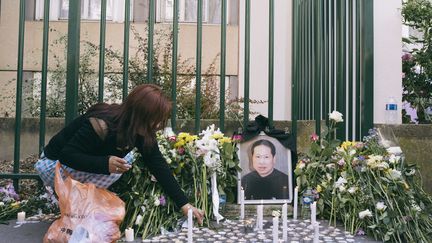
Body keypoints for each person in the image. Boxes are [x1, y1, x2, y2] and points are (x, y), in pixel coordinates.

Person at [35, 84, 203, 223]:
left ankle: (82, 208)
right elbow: (67, 155)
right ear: (142, 114)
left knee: (125, 160)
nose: (159, 124)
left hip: (77, 167)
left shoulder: (142, 130)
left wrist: (184, 204)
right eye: (156, 118)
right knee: (123, 160)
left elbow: (158, 165)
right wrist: (104, 164)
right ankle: (78, 208)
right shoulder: (101, 124)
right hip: (51, 166)